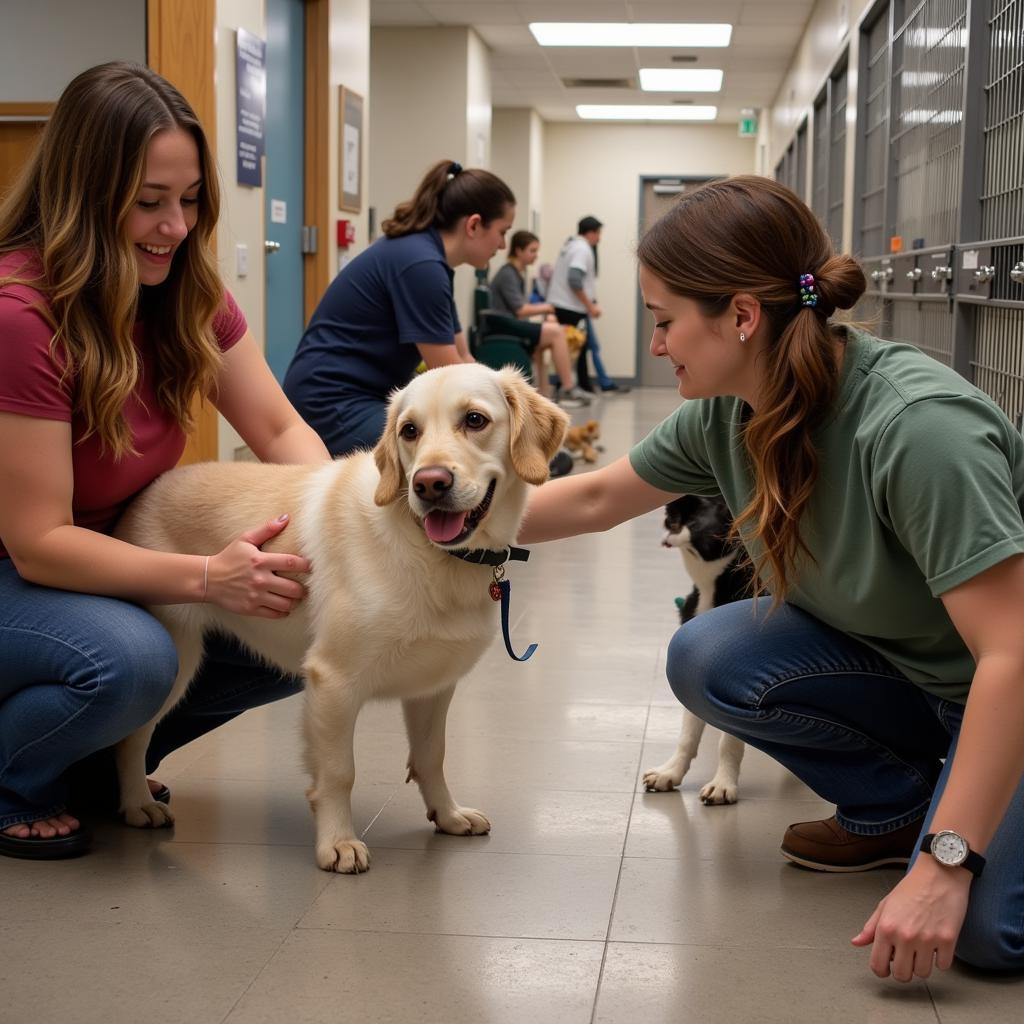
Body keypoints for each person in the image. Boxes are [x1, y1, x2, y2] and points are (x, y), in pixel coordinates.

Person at [519, 175, 1024, 980]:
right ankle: (897, 810)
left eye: (664, 322)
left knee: (988, 935)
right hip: (916, 676)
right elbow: (592, 498)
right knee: (709, 653)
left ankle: (940, 828)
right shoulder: (730, 410)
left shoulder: (919, 431)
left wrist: (945, 864)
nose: (656, 346)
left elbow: (1012, 658)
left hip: (1005, 694)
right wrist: (422, 525)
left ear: (743, 317)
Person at [0, 62, 332, 860]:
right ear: (83, 194)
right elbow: (39, 542)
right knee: (133, 661)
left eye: (189, 202)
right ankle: (16, 774)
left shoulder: (185, 291)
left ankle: (98, 762)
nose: (176, 227)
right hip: (25, 571)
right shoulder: (21, 315)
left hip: (112, 558)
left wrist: (330, 537)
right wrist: (213, 578)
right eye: (150, 202)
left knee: (303, 617)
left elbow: (282, 431)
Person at [283, 160, 515, 457]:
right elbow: (450, 373)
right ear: (473, 225)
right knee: (444, 449)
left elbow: (464, 360)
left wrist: (511, 415)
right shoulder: (421, 265)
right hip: (331, 404)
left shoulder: (428, 260)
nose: (503, 245)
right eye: (502, 231)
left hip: (355, 397)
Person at [486, 229, 591, 406]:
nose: (536, 255)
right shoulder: (507, 274)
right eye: (532, 251)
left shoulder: (515, 273)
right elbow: (520, 310)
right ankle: (568, 388)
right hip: (503, 324)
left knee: (541, 346)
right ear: (518, 251)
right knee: (556, 333)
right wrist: (548, 308)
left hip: (509, 323)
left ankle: (544, 395)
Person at [546, 215, 628, 394]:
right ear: (590, 233)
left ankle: (582, 385)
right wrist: (590, 306)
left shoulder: (570, 245)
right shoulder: (582, 249)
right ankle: (581, 386)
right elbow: (575, 280)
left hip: (563, 306)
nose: (599, 238)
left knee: (578, 348)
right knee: (578, 349)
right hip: (571, 308)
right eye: (598, 233)